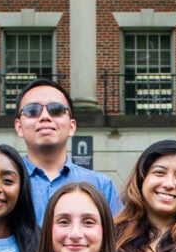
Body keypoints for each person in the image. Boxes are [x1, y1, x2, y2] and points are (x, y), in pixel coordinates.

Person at [13, 78, 122, 222]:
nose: (45, 117)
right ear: (19, 127)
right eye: (32, 110)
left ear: (72, 126)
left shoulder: (101, 186)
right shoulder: (5, 185)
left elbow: (119, 240)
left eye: (56, 110)